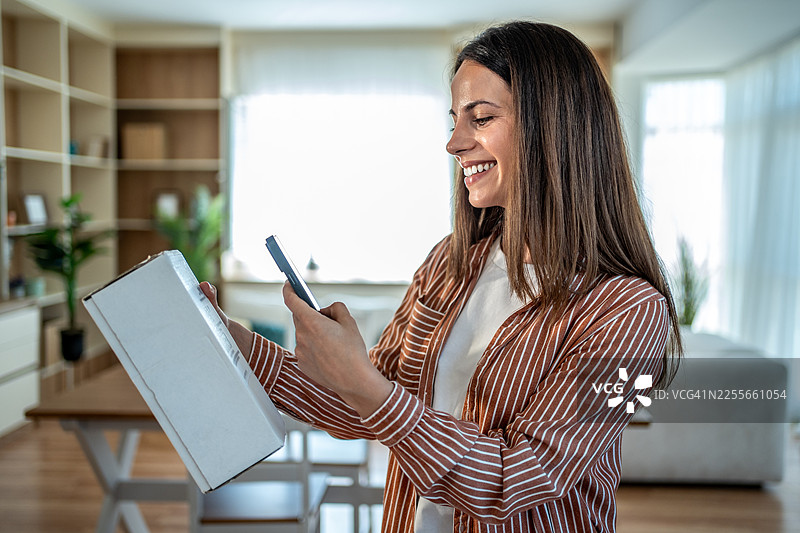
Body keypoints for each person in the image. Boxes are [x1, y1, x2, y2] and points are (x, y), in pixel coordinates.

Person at [202, 20, 682, 533]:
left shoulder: (631, 312)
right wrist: (235, 344)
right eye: (455, 119)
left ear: (556, 127)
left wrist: (370, 390)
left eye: (481, 118)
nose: (454, 143)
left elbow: (515, 481)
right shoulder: (447, 264)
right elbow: (360, 406)